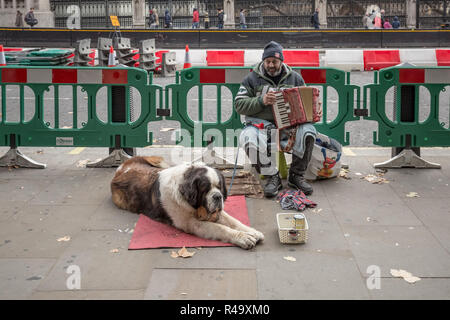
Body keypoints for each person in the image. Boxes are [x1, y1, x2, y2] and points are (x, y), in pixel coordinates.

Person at [235, 41, 322, 198]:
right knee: (247, 138)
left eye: (274, 62)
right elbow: (239, 105)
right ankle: (271, 176)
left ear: (281, 61)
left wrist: (314, 112)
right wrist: (261, 101)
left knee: (309, 131)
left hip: (289, 128)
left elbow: (306, 103)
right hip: (260, 126)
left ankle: (296, 176)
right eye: (267, 61)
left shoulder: (295, 78)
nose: (270, 65)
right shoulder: (251, 78)